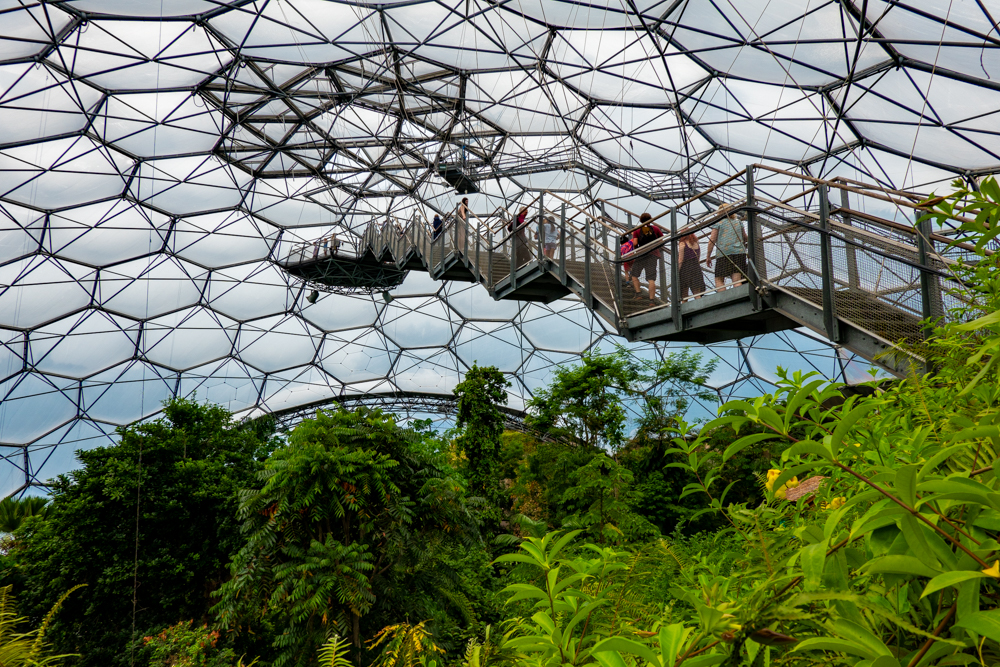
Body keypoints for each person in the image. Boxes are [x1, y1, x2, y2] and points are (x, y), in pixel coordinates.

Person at [706, 205, 748, 290]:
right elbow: (745, 237)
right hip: (739, 253)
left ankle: (723, 299)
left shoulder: (719, 223)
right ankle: (739, 297)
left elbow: (712, 240)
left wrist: (708, 256)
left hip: (724, 254)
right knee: (736, 280)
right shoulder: (738, 222)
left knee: (719, 279)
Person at [630, 213, 664, 305]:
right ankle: (651, 301)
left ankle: (638, 294)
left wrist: (637, 249)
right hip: (653, 255)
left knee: (634, 275)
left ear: (641, 220)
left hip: (642, 254)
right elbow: (662, 240)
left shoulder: (637, 230)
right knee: (651, 279)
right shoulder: (655, 228)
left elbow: (635, 243)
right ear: (650, 219)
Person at [677, 232, 706, 300]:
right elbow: (698, 258)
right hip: (696, 268)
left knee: (684, 293)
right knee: (696, 292)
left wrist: (677, 271)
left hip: (685, 269)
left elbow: (681, 259)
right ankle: (700, 307)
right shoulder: (696, 244)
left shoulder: (683, 243)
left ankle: (684, 309)